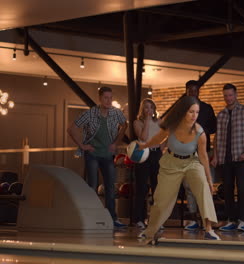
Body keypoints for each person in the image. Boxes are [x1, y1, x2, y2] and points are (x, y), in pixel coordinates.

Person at [137, 95, 220, 243]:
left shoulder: (200, 132)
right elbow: (158, 139)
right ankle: (150, 230)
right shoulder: (172, 125)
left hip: (191, 162)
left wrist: (209, 179)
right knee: (161, 199)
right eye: (191, 112)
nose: (194, 116)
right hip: (171, 163)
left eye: (197, 112)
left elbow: (203, 157)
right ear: (183, 112)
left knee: (203, 188)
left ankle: (209, 230)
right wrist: (144, 145)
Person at [67, 86, 128, 228]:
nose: (109, 101)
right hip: (93, 154)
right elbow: (71, 129)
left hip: (108, 155)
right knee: (92, 186)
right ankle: (90, 217)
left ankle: (112, 218)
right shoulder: (90, 114)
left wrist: (116, 143)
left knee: (110, 187)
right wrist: (82, 146)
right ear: (100, 98)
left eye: (110, 98)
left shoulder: (116, 113)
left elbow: (125, 125)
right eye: (106, 98)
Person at [211, 83, 244, 232]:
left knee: (242, 189)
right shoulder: (221, 114)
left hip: (241, 158)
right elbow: (217, 137)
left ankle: (243, 221)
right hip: (225, 159)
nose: (228, 98)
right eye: (225, 95)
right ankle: (231, 220)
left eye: (230, 95)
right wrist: (216, 156)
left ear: (236, 95)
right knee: (227, 190)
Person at [183, 80, 217, 231]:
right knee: (189, 186)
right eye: (190, 90)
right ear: (186, 91)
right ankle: (193, 219)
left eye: (195, 90)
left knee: (205, 185)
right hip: (186, 152)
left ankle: (207, 218)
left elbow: (213, 128)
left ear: (198, 91)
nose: (192, 92)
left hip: (203, 151)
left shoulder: (207, 109)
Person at [133, 98, 163, 229]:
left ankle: (156, 220)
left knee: (157, 188)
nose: (149, 110)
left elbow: (167, 134)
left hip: (156, 154)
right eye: (146, 107)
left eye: (151, 107)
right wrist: (147, 121)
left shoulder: (160, 122)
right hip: (143, 154)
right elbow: (144, 138)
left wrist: (162, 147)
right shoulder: (137, 122)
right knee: (142, 188)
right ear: (143, 110)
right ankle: (139, 218)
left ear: (154, 109)